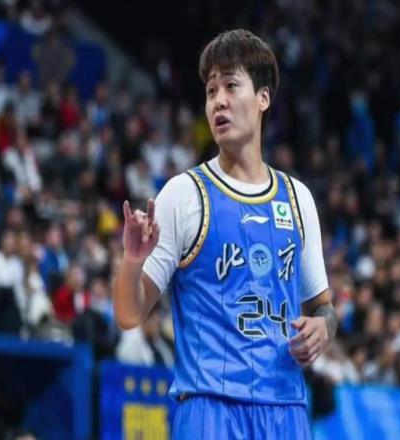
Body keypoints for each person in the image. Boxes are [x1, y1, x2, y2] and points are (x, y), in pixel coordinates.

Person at [113, 29, 337, 439]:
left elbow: (323, 307)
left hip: (286, 410)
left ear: (263, 98)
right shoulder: (183, 194)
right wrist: (132, 261)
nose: (218, 100)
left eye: (231, 86)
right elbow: (129, 314)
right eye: (211, 90)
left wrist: (323, 327)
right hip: (210, 409)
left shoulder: (298, 198)